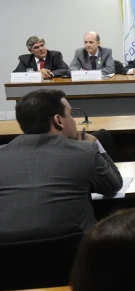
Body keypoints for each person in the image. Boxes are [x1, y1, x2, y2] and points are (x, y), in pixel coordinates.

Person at [0, 89, 122, 242]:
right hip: (75, 255)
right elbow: (114, 184)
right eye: (70, 115)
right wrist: (96, 144)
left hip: (8, 259)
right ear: (58, 120)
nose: (74, 121)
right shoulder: (84, 152)